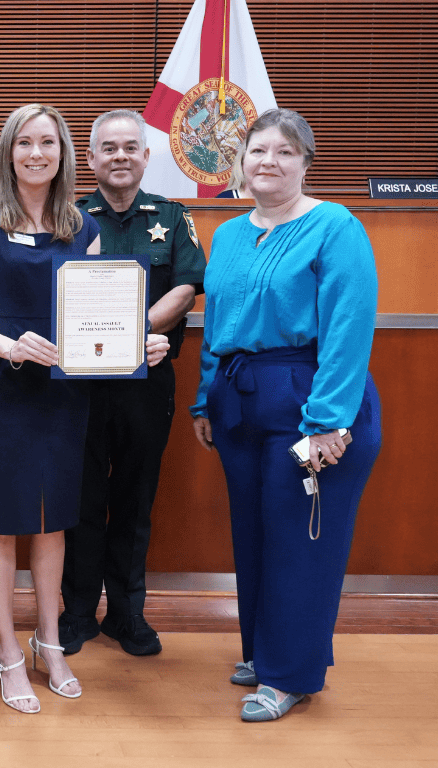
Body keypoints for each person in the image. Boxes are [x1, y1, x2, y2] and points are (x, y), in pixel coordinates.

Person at [0, 104, 170, 713]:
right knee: (0, 523)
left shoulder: (82, 226)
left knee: (53, 524)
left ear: (64, 152)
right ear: (9, 151)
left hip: (62, 392)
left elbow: (96, 317)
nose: (36, 154)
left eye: (48, 142)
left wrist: (140, 342)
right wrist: (9, 346)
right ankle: (7, 652)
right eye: (25, 142)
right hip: (1, 386)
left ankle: (49, 641)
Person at [191, 108, 381, 722]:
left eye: (285, 152)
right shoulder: (227, 234)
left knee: (301, 542)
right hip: (239, 404)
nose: (268, 162)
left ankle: (289, 674)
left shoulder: (335, 226)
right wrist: (205, 397)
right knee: (254, 535)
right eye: (257, 151)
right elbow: (218, 327)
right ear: (239, 161)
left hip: (311, 405)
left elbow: (349, 330)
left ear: (305, 162)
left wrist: (329, 421)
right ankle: (263, 650)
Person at [59, 109, 207, 657]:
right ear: (91, 159)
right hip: (78, 386)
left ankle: (127, 613)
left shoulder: (171, 216)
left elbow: (187, 288)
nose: (120, 156)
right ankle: (76, 612)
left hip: (146, 381)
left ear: (146, 157)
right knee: (80, 499)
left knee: (135, 498)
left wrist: (133, 329)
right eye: (108, 148)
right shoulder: (67, 218)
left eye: (130, 147)